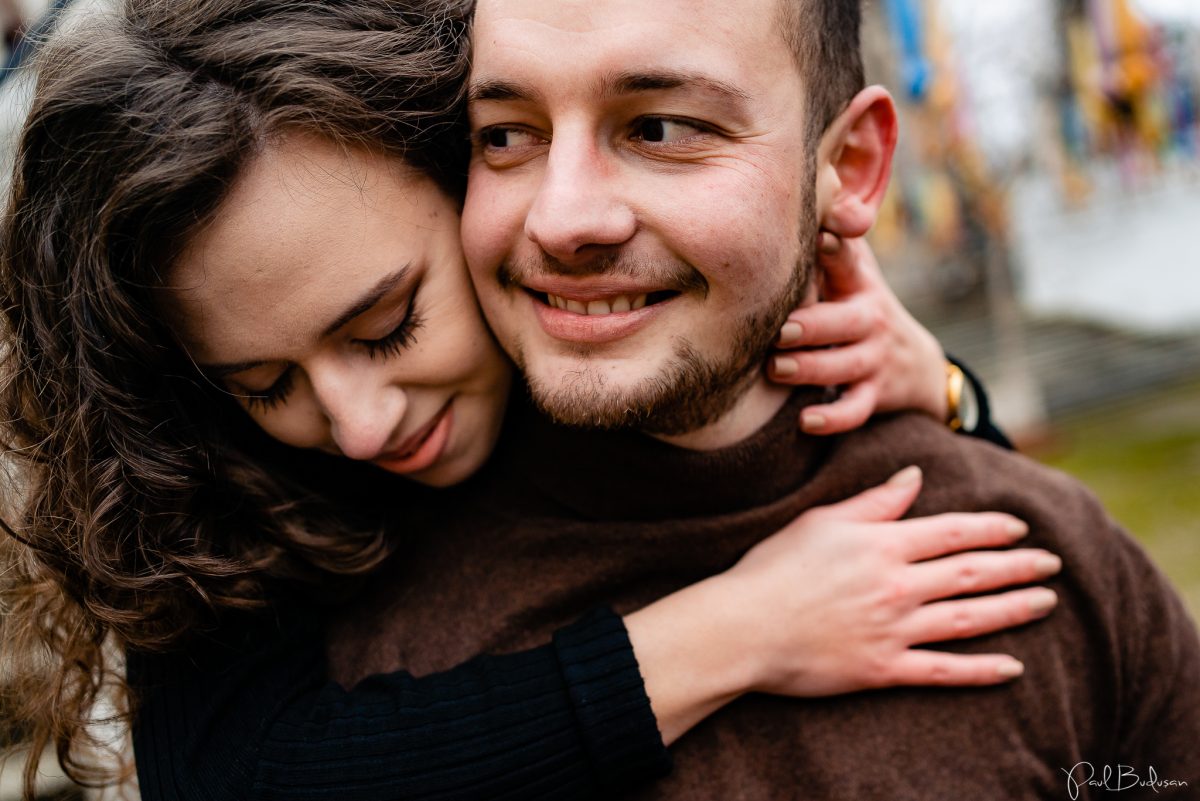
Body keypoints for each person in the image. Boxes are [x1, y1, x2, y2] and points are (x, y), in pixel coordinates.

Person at [0, 1, 1051, 799]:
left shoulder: (661, 326)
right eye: (263, 383)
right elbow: (237, 775)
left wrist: (948, 393)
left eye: (386, 327)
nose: (361, 425)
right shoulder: (206, 468)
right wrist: (736, 632)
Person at [299, 0, 1199, 797]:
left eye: (659, 128)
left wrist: (954, 395)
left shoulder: (1049, 561)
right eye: (504, 134)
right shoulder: (352, 635)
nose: (561, 218)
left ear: (847, 165)